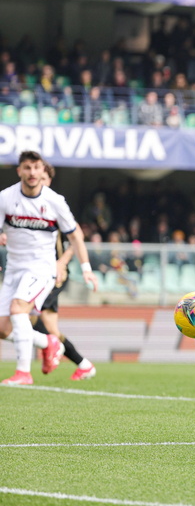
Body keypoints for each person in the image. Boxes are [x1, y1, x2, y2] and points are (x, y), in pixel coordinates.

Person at [0, 151, 98, 385]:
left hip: (42, 269)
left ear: (43, 171)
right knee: (3, 330)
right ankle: (49, 343)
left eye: (36, 168)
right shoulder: (5, 197)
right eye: (27, 168)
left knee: (18, 310)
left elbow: (75, 235)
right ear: (19, 171)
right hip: (14, 269)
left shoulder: (54, 201)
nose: (32, 173)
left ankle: (24, 372)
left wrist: (85, 267)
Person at [31, 163, 97, 380]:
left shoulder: (53, 203)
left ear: (47, 180)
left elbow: (76, 236)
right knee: (48, 326)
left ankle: (50, 348)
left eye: (43, 178)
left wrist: (62, 263)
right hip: (37, 269)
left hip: (53, 273)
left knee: (23, 312)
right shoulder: (30, 203)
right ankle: (83, 364)